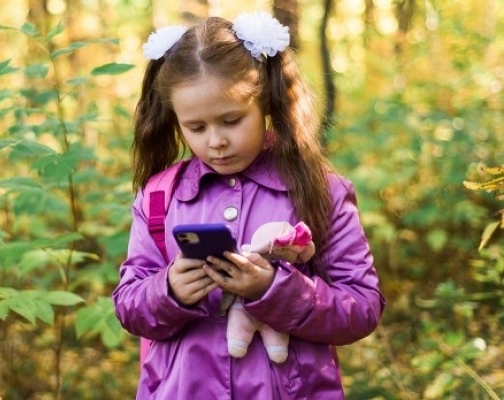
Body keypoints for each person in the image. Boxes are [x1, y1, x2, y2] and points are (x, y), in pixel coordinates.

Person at [112, 11, 385, 399]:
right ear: (176, 121)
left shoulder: (321, 191)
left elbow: (362, 307)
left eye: (232, 120)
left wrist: (274, 290)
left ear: (267, 105)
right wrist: (168, 290)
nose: (216, 141)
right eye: (197, 127)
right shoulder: (160, 197)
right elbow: (128, 305)